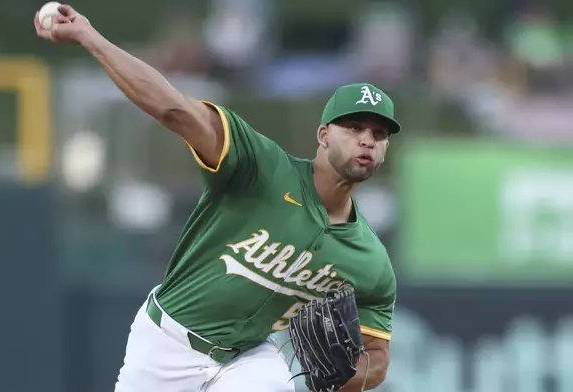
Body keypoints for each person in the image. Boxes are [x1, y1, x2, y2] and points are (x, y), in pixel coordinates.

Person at [34, 5, 399, 392]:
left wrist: (342, 378)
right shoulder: (261, 168)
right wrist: (91, 37)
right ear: (324, 135)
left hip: (248, 359)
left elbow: (377, 359)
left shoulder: (370, 261)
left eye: (378, 134)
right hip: (166, 344)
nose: (366, 140)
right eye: (355, 127)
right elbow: (173, 108)